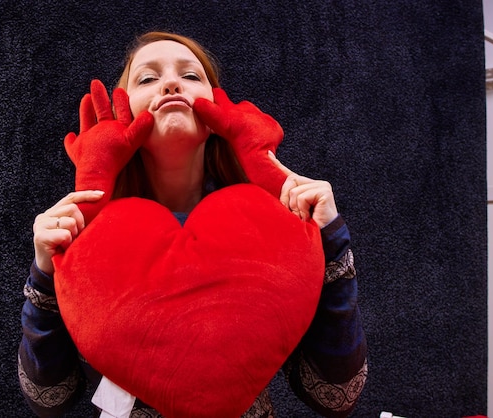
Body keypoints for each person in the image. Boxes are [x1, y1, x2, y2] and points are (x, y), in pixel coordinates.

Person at [18, 31, 367, 418]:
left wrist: (331, 241)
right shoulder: (87, 237)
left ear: (219, 110)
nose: (170, 83)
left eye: (190, 75)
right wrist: (45, 272)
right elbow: (49, 399)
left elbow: (336, 395)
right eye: (147, 79)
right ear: (123, 114)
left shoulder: (272, 226)